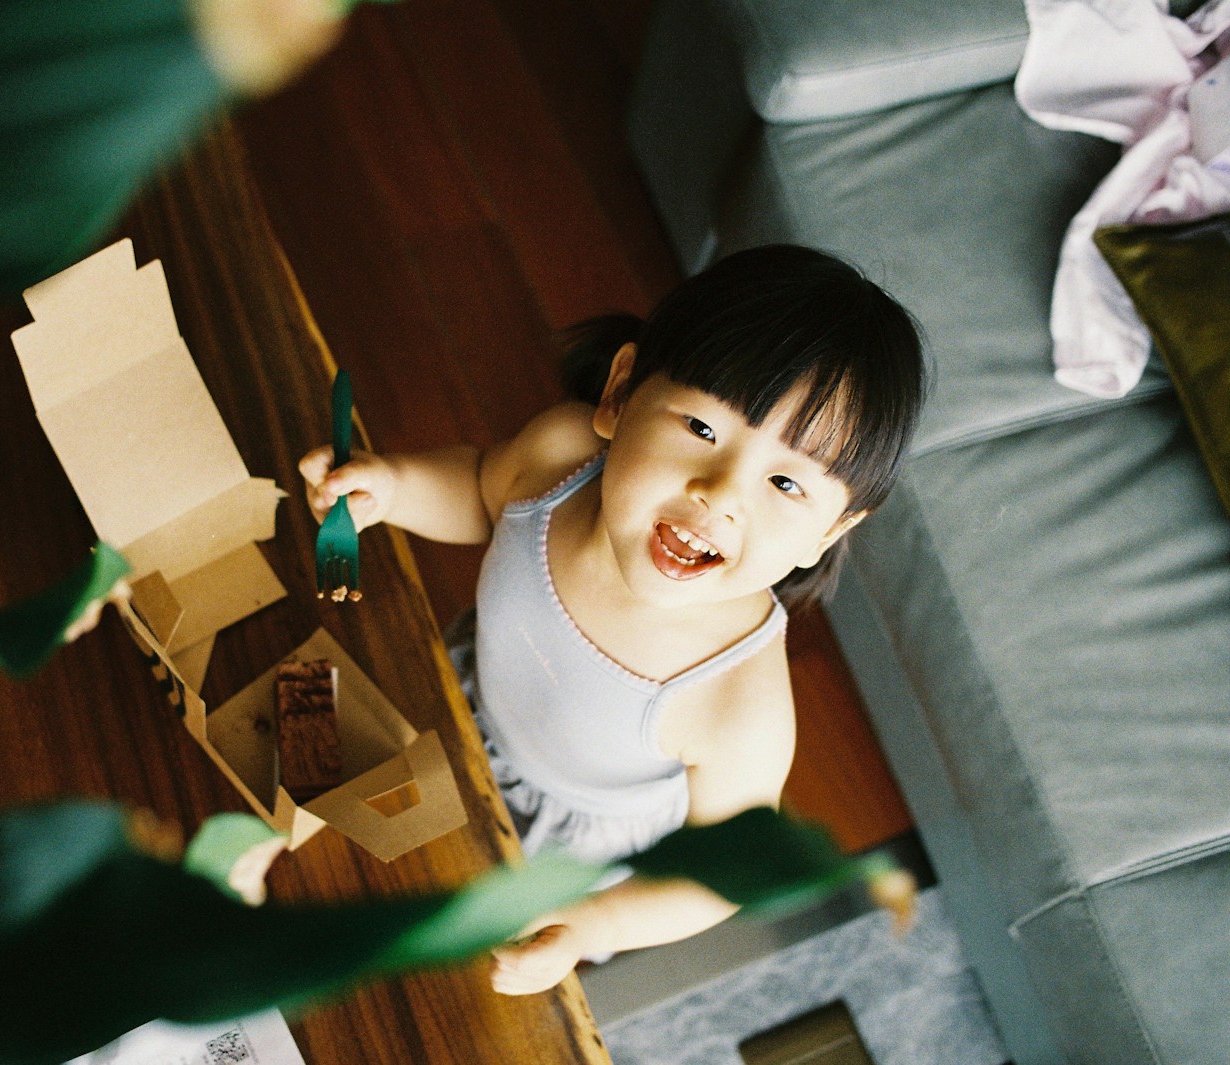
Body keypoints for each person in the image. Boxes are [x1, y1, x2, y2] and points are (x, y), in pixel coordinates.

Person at [298, 245, 927, 995]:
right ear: (621, 392)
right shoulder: (559, 461)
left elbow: (722, 874)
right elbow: (477, 490)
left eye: (786, 482)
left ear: (829, 530)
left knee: (422, 974)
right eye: (701, 428)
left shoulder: (737, 698)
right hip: (456, 701)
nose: (720, 492)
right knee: (318, 859)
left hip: (555, 850)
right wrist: (392, 487)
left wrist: (593, 926)